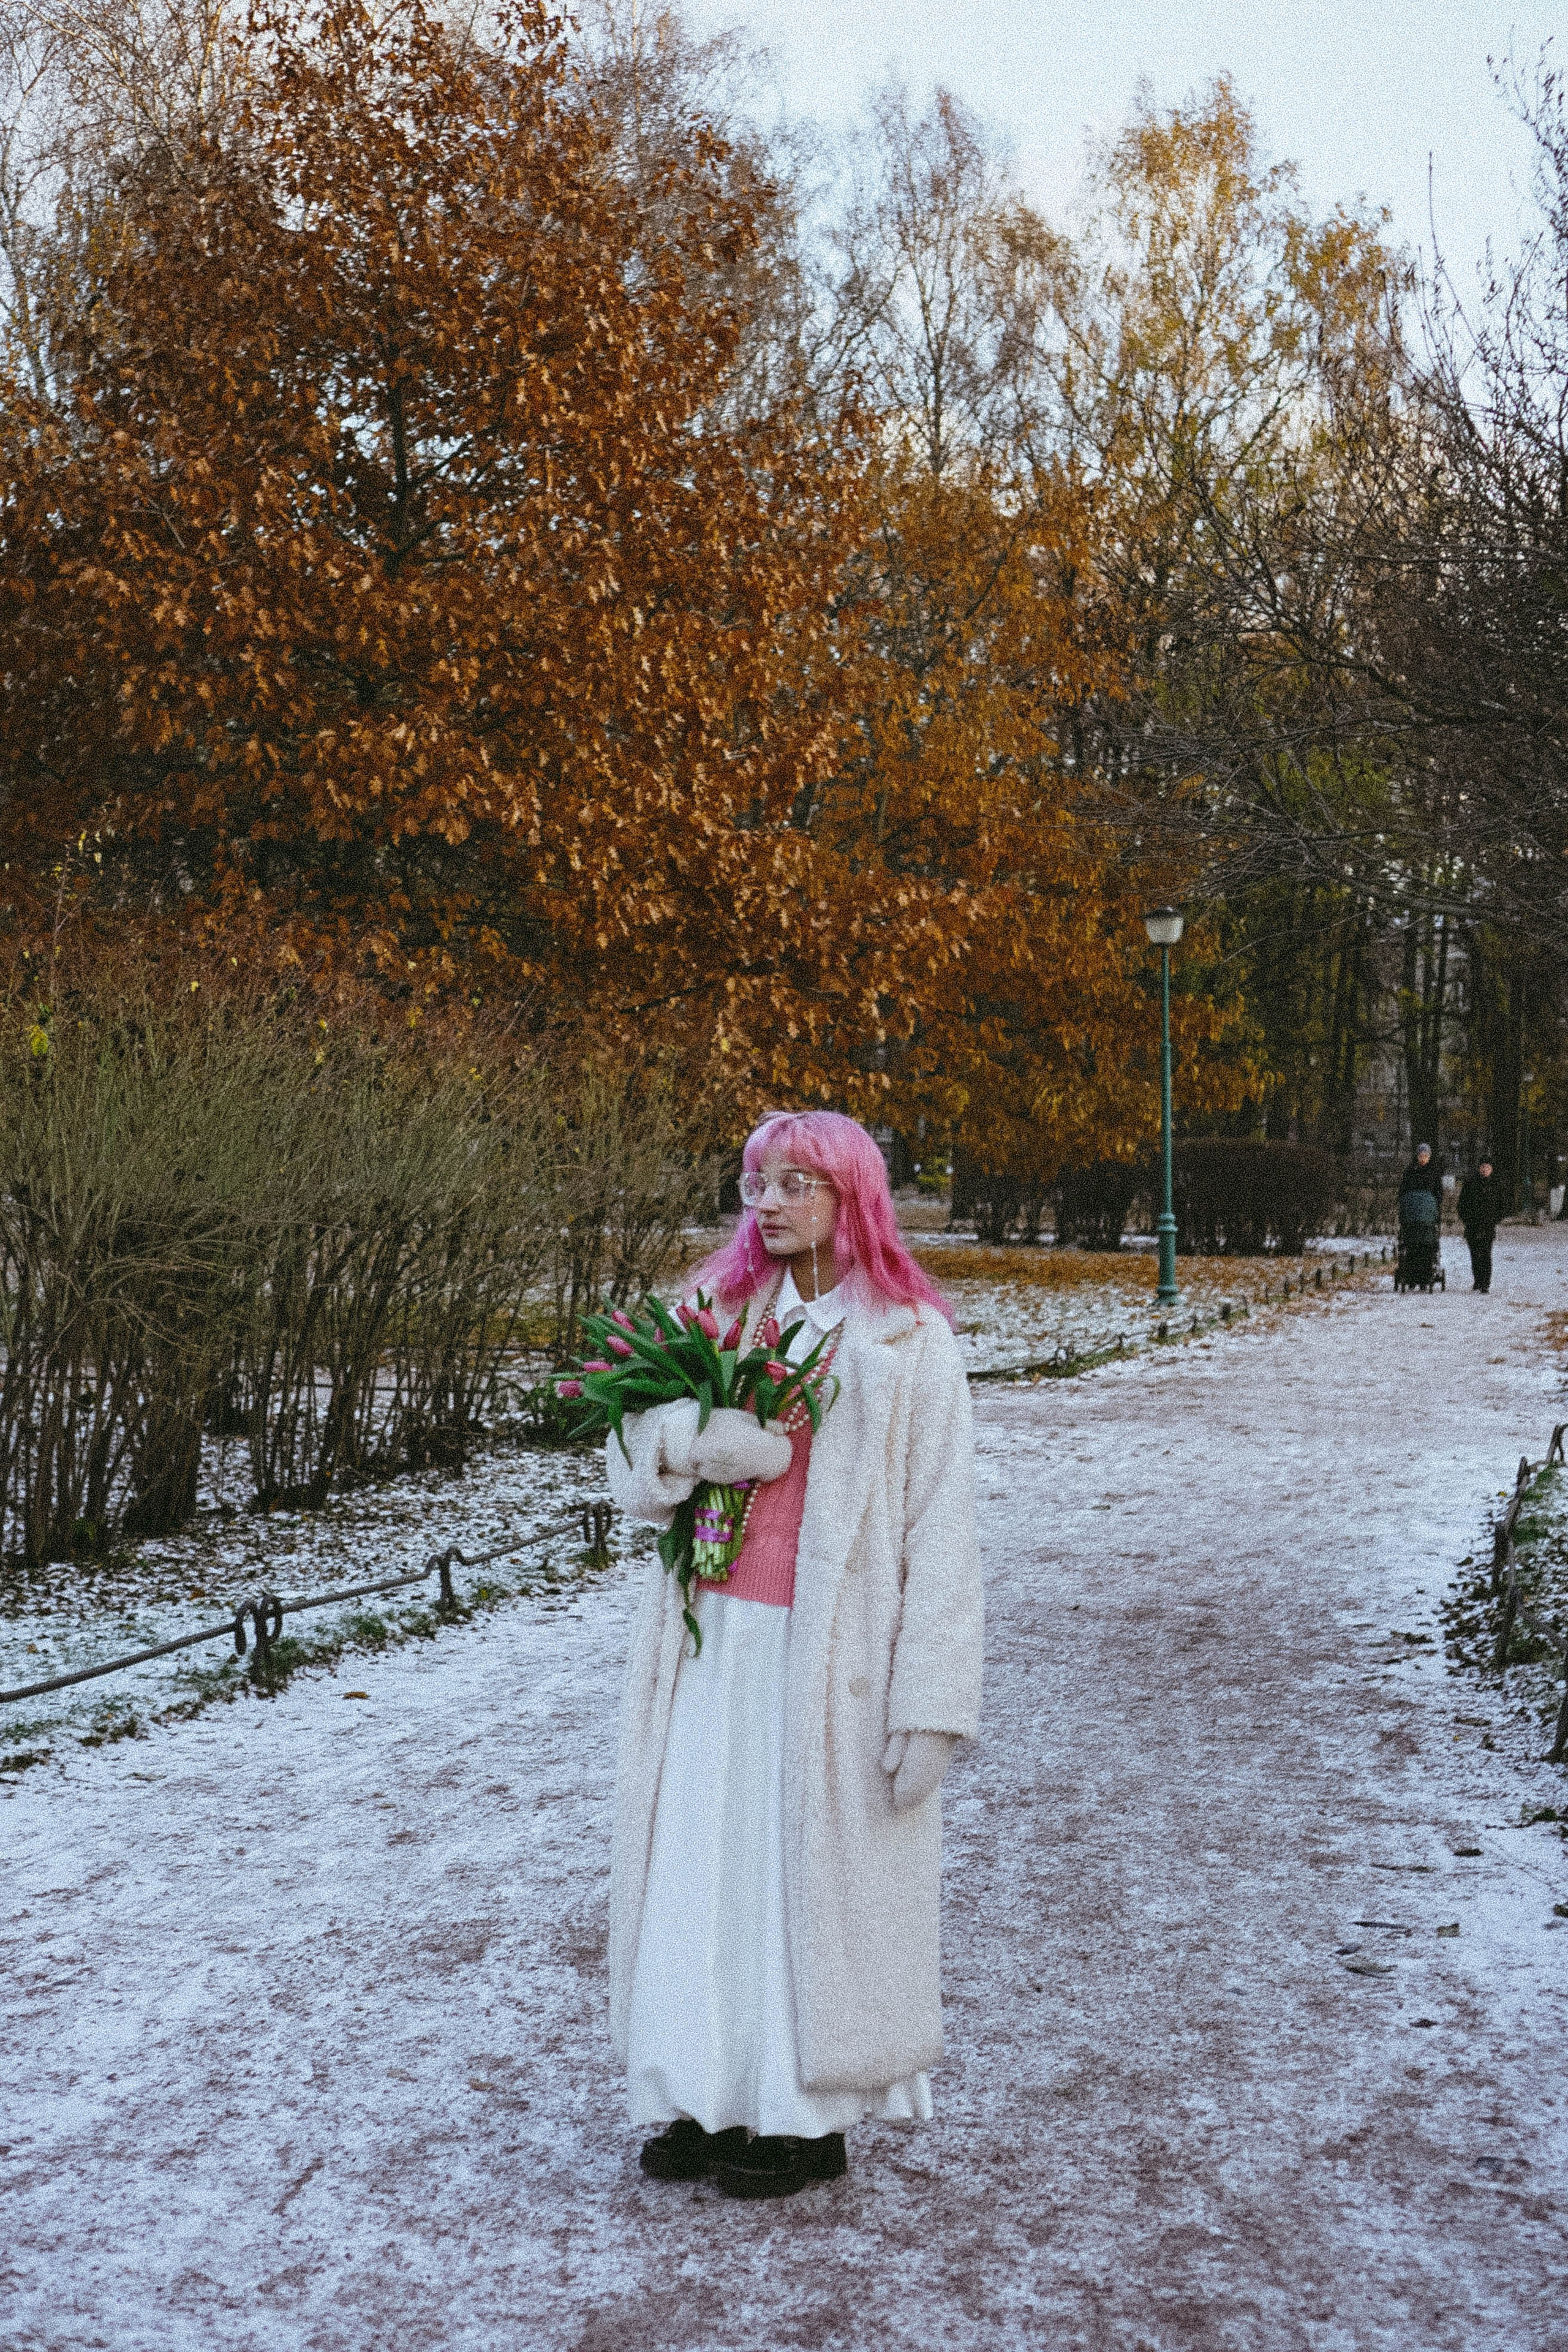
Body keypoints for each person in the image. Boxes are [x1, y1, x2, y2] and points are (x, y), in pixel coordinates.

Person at [605, 1109, 982, 2200]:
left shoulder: (909, 1341)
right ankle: (694, 2089)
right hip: (710, 1645)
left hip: (833, 1662)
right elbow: (625, 1456)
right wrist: (688, 1442)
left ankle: (797, 2117)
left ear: (852, 1197)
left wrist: (933, 1706)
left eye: (796, 1184)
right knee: (699, 1868)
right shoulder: (714, 1312)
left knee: (790, 1882)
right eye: (758, 1183)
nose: (768, 1205)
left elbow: (940, 1535)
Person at [1458, 1155, 1501, 1294]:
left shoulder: (1495, 1185)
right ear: (1479, 1168)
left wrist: (1494, 1219)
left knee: (1486, 1255)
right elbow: (1462, 1205)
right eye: (1483, 1167)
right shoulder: (1470, 1184)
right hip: (1473, 1226)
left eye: (1488, 1167)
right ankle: (1478, 1280)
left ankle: (1485, 1283)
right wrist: (1468, 1220)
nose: (1485, 1170)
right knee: (1475, 1255)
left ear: (1492, 1169)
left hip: (1488, 1226)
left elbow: (1501, 1206)